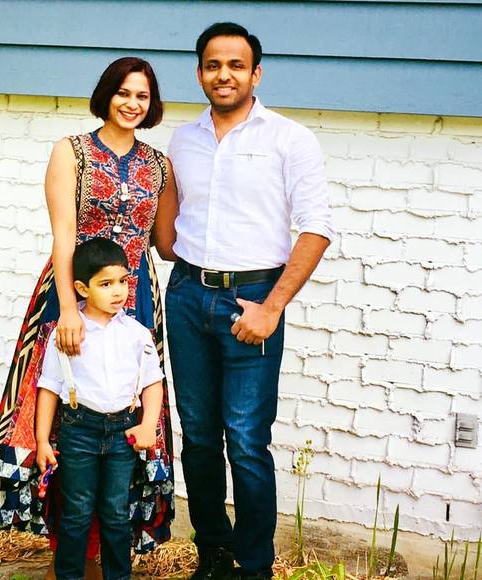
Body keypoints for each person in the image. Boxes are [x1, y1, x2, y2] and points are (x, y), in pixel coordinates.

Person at [0, 57, 177, 579]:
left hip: (136, 298)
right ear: (107, 94)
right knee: (66, 415)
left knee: (128, 413)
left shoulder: (160, 165)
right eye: (124, 92)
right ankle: (68, 554)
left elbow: (168, 242)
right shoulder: (72, 151)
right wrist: (69, 308)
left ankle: (108, 549)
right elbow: (64, 234)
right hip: (72, 292)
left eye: (143, 96)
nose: (132, 104)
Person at [164, 22, 334, 580]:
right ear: (199, 73)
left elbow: (316, 229)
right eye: (213, 65)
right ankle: (212, 554)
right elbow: (169, 232)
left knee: (246, 440)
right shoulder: (182, 141)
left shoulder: (289, 139)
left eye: (236, 65)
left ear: (256, 73)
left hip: (254, 298)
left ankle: (253, 566)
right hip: (188, 294)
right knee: (198, 437)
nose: (224, 75)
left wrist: (272, 307)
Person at [36, 237, 164, 580]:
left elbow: (153, 382)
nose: (118, 291)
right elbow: (49, 387)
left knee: (116, 513)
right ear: (82, 288)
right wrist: (43, 441)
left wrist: (148, 425)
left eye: (122, 281)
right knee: (77, 512)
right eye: (105, 284)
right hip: (79, 430)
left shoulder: (137, 334)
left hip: (123, 433)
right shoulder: (67, 333)